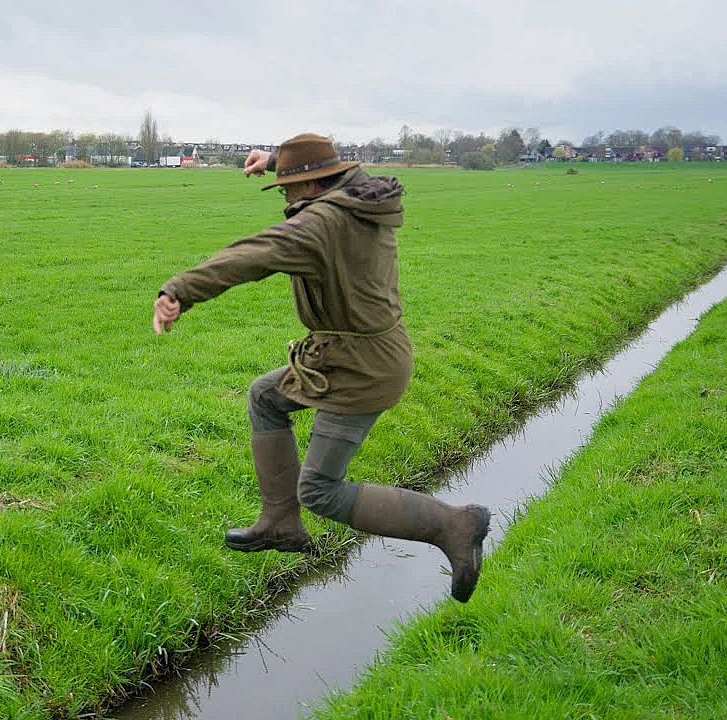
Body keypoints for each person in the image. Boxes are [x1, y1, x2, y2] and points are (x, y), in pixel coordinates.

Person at [152, 133, 491, 602]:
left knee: (320, 491)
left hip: (361, 369)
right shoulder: (359, 198)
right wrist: (277, 162)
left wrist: (178, 291)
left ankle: (455, 525)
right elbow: (324, 179)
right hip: (349, 354)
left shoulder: (322, 225)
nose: (286, 199)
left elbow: (254, 253)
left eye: (289, 190)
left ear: (312, 188)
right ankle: (279, 523)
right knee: (265, 397)